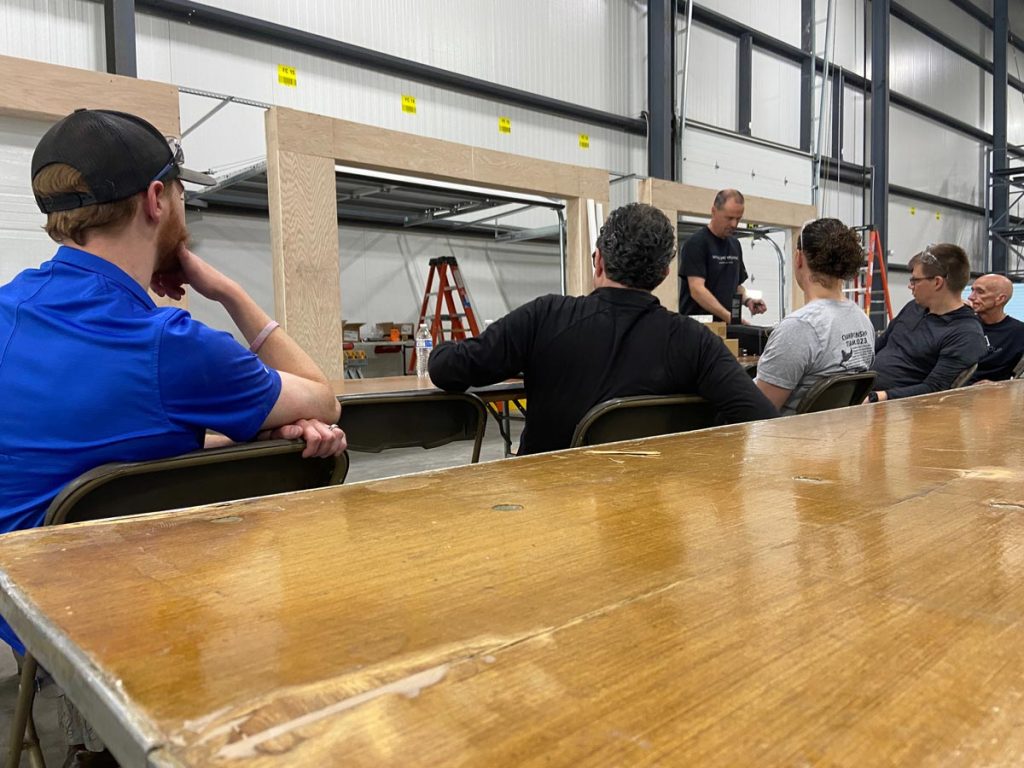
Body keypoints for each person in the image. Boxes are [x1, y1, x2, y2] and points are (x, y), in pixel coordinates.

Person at [0, 109, 345, 766]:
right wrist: (226, 290)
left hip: (23, 618)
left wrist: (245, 431)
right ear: (158, 200)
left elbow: (100, 453)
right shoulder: (172, 345)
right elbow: (321, 394)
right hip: (137, 625)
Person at [428, 203, 778, 455]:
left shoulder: (544, 316)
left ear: (598, 261)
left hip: (547, 514)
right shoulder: (695, 341)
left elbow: (447, 370)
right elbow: (760, 416)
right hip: (649, 520)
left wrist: (440, 349)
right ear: (664, 275)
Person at [755, 218, 875, 414]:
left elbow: (758, 411)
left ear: (799, 258)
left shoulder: (800, 327)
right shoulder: (862, 321)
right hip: (837, 437)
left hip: (788, 440)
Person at [868, 243, 986, 402]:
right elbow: (880, 344)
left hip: (896, 408)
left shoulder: (965, 334)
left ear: (937, 282)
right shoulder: (913, 308)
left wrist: (877, 397)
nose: (910, 286)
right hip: (864, 389)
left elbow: (935, 389)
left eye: (915, 280)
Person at [678, 189, 768, 322]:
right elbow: (697, 289)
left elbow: (736, 287)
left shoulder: (735, 245)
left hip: (726, 328)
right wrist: (728, 317)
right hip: (698, 328)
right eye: (729, 218)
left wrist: (748, 300)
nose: (734, 224)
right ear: (714, 212)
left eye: (738, 219)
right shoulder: (696, 244)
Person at [966, 273, 1024, 382]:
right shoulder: (963, 325)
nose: (971, 297)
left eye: (980, 292)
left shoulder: (1018, 332)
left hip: (993, 395)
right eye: (972, 290)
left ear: (1000, 299)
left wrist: (998, 387)